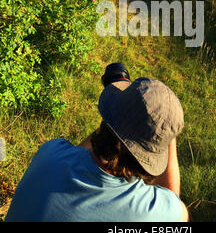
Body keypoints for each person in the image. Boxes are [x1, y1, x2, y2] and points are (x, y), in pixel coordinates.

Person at [5, 76, 189, 222]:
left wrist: (119, 116)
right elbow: (174, 211)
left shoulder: (51, 152)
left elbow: (83, 155)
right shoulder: (150, 209)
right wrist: (168, 138)